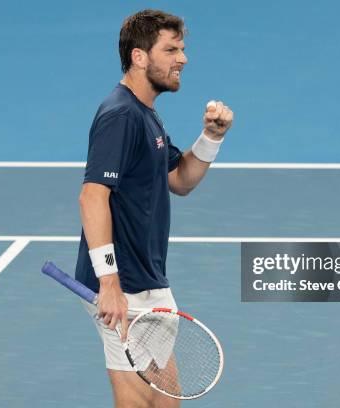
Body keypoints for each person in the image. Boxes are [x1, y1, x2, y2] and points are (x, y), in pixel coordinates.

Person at [75, 9, 233, 408]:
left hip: (148, 279)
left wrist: (211, 137)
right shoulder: (121, 116)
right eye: (172, 49)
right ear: (139, 57)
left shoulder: (146, 116)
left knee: (165, 400)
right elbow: (92, 196)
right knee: (138, 402)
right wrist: (109, 283)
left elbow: (180, 180)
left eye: (182, 49)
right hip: (122, 287)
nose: (183, 58)